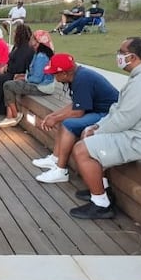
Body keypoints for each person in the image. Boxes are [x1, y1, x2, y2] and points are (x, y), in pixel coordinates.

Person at [68, 37, 141, 219]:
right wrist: (96, 126)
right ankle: (103, 190)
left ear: (133, 57)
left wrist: (96, 132)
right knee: (89, 137)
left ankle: (101, 204)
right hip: (138, 132)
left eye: (121, 52)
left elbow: (125, 118)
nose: (118, 56)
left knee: (81, 149)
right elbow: (117, 110)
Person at [31, 53, 119, 183]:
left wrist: (56, 119)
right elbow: (76, 104)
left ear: (65, 73)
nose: (53, 77)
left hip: (109, 114)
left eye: (55, 74)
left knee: (68, 124)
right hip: (97, 110)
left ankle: (61, 170)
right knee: (63, 120)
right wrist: (54, 115)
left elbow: (78, 113)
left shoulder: (82, 79)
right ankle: (55, 158)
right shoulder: (77, 76)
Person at [0, 30, 55, 128]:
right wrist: (23, 76)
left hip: (41, 87)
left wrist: (24, 78)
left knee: (8, 85)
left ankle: (14, 116)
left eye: (32, 38)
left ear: (37, 41)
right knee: (13, 82)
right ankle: (10, 116)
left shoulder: (41, 56)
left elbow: (36, 79)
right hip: (40, 84)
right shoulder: (38, 53)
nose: (30, 40)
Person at [0, 24, 35, 114]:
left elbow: (19, 66)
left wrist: (6, 69)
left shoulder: (25, 48)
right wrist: (5, 67)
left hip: (17, 73)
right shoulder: (17, 46)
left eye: (15, 32)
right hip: (10, 69)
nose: (14, 33)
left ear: (20, 34)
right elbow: (11, 59)